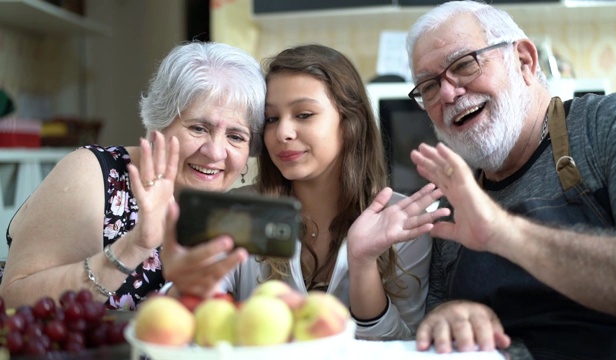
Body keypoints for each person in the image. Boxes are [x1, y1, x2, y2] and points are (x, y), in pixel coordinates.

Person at [164, 43, 450, 339]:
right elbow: (192, 327)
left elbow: (401, 348)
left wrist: (363, 263)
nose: (282, 133)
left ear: (350, 123)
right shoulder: (236, 212)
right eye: (272, 119)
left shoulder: (402, 224)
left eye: (303, 114)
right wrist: (183, 282)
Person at [405, 1, 616, 359]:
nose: (449, 94)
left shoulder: (611, 125)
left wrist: (502, 232)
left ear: (524, 61)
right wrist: (450, 316)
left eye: (464, 64)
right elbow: (436, 312)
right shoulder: (454, 197)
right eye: (429, 86)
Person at [0, 41, 265, 310]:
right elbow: (13, 297)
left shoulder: (227, 216)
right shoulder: (92, 173)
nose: (215, 152)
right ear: (158, 125)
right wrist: (134, 246)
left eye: (235, 136)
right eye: (198, 128)